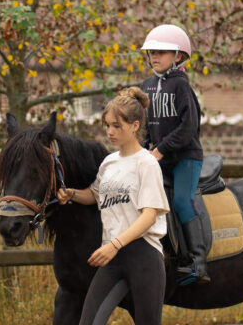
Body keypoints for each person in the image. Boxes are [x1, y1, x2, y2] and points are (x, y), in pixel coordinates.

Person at [57, 87, 169, 325]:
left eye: (116, 126)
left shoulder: (146, 163)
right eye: (107, 125)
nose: (109, 131)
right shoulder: (109, 162)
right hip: (112, 257)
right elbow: (94, 196)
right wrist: (71, 194)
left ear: (135, 126)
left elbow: (149, 216)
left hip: (143, 256)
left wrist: (115, 245)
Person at [141, 23, 210, 284]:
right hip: (158, 157)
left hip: (185, 158)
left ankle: (198, 261)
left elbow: (189, 127)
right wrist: (143, 147)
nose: (154, 57)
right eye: (151, 52)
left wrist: (160, 149)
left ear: (178, 56)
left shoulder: (181, 87)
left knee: (181, 201)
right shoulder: (147, 85)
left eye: (161, 52)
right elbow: (146, 124)